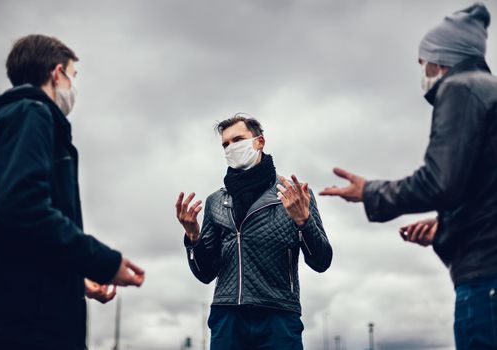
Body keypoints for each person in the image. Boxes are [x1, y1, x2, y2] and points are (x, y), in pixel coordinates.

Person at [320, 3, 496, 349]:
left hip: (484, 276)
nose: (422, 71)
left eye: (423, 63)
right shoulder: (488, 91)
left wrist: (369, 192)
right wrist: (446, 225)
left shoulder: (461, 88)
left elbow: (439, 181)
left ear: (442, 59)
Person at [0, 34, 145, 350]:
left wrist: (73, 279)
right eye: (72, 76)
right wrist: (104, 262)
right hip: (32, 326)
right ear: (56, 73)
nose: (72, 88)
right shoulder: (32, 114)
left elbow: (3, 236)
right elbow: (23, 207)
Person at [176, 114, 332, 350]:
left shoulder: (294, 195)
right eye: (225, 144)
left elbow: (322, 261)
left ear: (259, 142)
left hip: (278, 316)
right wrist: (193, 237)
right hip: (227, 317)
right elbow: (205, 273)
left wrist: (304, 221)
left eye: (238, 139)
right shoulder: (216, 201)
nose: (231, 148)